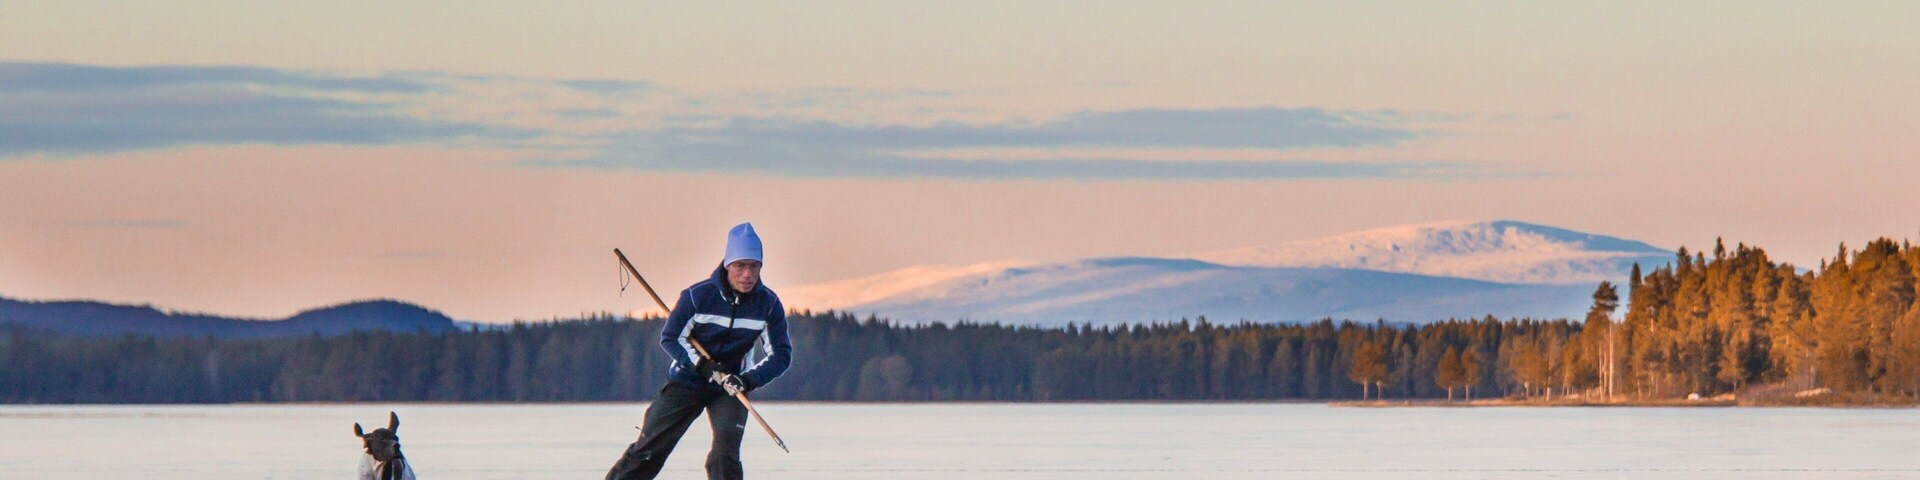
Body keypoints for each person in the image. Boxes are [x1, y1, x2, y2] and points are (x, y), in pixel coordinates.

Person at [608, 222, 792, 480]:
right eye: (740, 266)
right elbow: (671, 338)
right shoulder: (697, 296)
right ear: (728, 264)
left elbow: (780, 355)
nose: (747, 275)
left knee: (725, 456)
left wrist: (746, 380)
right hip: (687, 381)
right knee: (649, 451)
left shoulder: (768, 305)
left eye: (754, 266)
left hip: (730, 388)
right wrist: (702, 366)